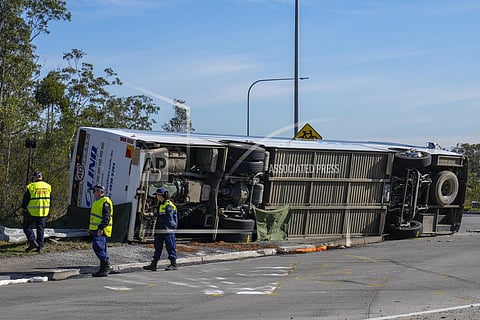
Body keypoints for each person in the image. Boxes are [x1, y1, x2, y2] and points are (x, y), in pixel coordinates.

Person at [143, 188, 178, 271]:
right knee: (157, 247)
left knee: (170, 246)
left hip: (167, 229)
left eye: (157, 195)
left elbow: (169, 219)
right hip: (161, 229)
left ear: (161, 195)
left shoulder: (168, 205)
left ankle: (173, 264)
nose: (156, 197)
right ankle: (154, 264)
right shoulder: (161, 204)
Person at [21, 171, 52, 253]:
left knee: (26, 227)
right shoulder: (48, 186)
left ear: (34, 177)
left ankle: (32, 242)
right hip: (43, 212)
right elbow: (50, 200)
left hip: (31, 212)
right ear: (41, 177)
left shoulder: (31, 186)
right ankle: (40, 246)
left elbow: (26, 200)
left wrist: (23, 208)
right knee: (40, 229)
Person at [88, 184, 114, 277]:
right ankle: (102, 270)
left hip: (101, 230)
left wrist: (101, 228)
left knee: (98, 247)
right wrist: (91, 229)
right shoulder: (98, 202)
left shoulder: (105, 202)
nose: (93, 193)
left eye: (94, 191)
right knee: (102, 249)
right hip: (96, 229)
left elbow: (106, 218)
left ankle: (106, 265)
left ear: (100, 192)